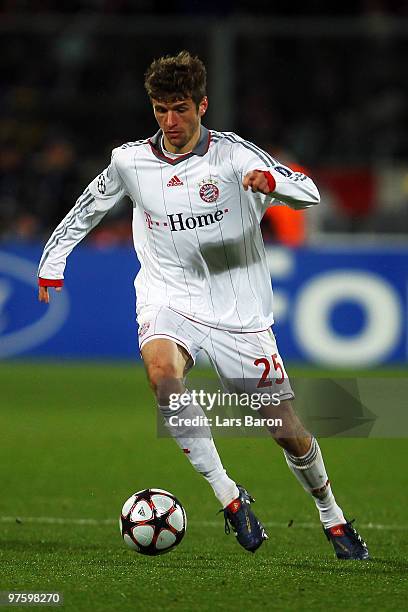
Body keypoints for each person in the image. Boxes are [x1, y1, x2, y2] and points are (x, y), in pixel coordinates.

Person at [38, 51, 369, 559]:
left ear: (202, 105)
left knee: (287, 431)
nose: (170, 121)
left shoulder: (236, 156)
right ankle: (229, 496)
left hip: (239, 315)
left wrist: (273, 184)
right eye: (160, 109)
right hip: (167, 297)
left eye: (180, 109)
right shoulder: (130, 161)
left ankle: (332, 515)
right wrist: (52, 261)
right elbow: (89, 207)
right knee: (162, 378)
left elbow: (310, 192)